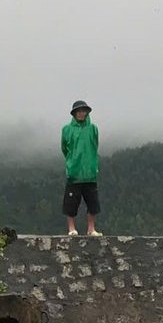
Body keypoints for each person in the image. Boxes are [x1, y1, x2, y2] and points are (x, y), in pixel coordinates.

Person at [61, 100, 101, 237]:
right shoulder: (67, 129)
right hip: (74, 172)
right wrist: (71, 161)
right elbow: (64, 148)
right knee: (71, 203)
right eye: (78, 111)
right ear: (74, 113)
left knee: (92, 203)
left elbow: (95, 145)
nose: (81, 113)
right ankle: (71, 229)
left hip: (90, 172)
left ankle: (91, 229)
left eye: (83, 111)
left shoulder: (93, 128)